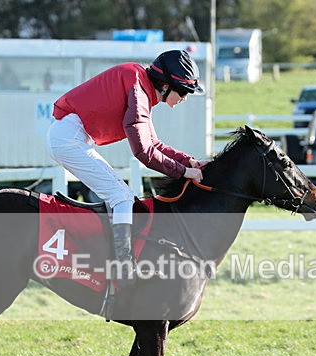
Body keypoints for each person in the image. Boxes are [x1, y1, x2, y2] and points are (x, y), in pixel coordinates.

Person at [46, 50, 206, 288]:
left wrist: (189, 161)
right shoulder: (138, 88)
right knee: (122, 197)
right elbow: (144, 152)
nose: (185, 98)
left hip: (70, 136)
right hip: (68, 139)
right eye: (183, 91)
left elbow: (154, 143)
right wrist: (183, 172)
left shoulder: (140, 85)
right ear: (165, 85)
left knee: (122, 197)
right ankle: (124, 270)